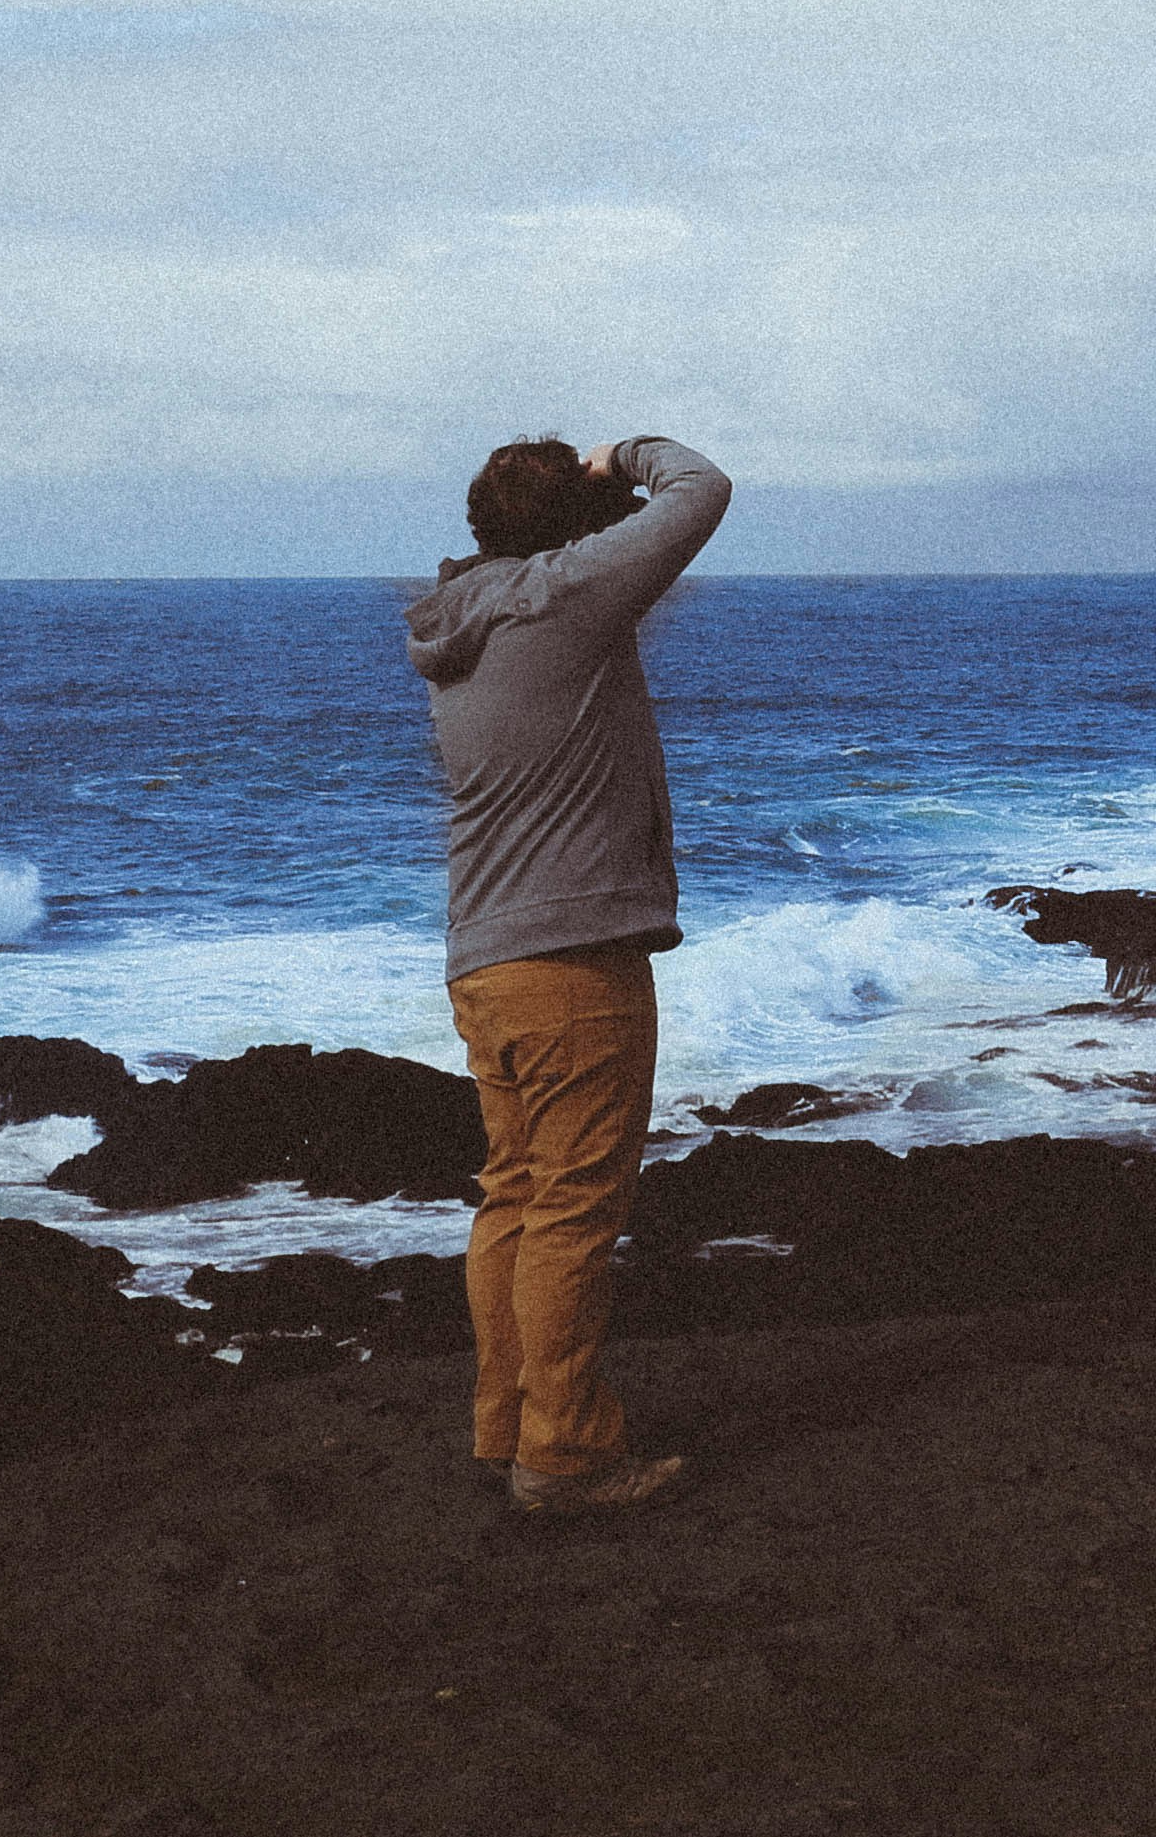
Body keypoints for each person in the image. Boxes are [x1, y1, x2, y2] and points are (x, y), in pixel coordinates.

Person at [403, 428, 732, 1515]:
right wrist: (621, 458)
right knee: (575, 1215)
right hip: (572, 964)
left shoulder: (465, 618)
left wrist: (565, 498)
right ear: (572, 530)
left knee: (514, 1198)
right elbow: (699, 489)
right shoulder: (566, 598)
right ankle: (565, 1456)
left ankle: (507, 1429)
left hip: (484, 960)